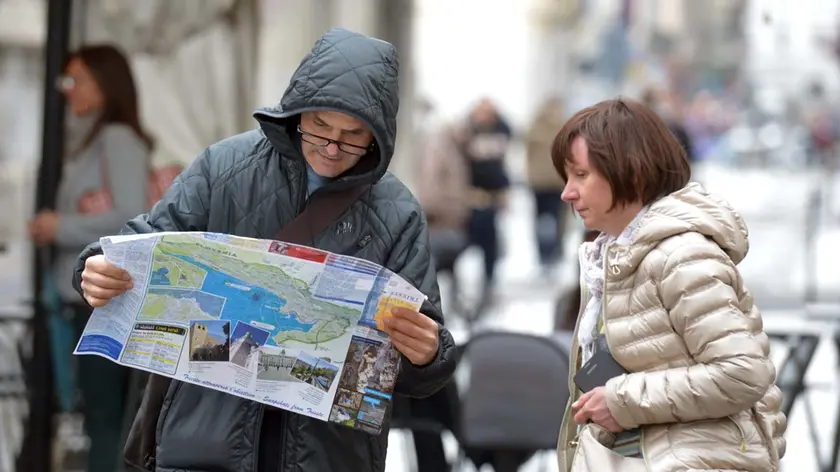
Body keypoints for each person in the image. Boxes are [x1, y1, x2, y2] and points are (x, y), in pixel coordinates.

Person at [71, 28, 457, 472]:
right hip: (205, 441)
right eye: (320, 127)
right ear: (296, 114)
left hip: (328, 455)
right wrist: (97, 267)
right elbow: (146, 243)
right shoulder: (225, 167)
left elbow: (423, 359)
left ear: (378, 138)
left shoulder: (398, 212)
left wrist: (428, 353)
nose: (332, 148)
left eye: (353, 136)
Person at [552, 99, 786, 471]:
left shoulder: (682, 255)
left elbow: (743, 372)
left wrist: (621, 400)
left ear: (633, 173)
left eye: (581, 175)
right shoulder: (616, 258)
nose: (567, 192)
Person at [28, 44, 151, 472]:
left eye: (76, 79)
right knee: (96, 413)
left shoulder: (116, 139)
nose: (68, 90)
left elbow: (131, 216)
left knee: (105, 417)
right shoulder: (89, 138)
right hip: (82, 293)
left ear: (104, 83)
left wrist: (58, 226)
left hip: (103, 296)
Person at [460, 98, 513, 312]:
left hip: (491, 199)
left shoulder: (501, 132)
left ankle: (489, 281)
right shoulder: (467, 134)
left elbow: (500, 167)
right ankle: (463, 287)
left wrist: (504, 195)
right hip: (470, 197)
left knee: (490, 246)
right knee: (466, 244)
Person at [526, 97, 569, 271]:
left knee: (544, 220)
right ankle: (552, 253)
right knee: (556, 220)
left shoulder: (535, 128)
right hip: (555, 181)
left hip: (542, 182)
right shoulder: (564, 127)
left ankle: (546, 255)